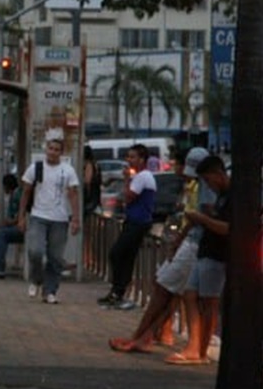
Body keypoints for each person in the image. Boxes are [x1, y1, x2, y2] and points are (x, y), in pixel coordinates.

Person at [108, 147, 213, 353]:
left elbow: (197, 218)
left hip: (193, 243)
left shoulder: (204, 187)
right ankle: (148, 335)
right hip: (190, 242)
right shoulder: (195, 185)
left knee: (165, 288)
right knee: (172, 291)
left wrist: (180, 239)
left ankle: (144, 336)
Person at [165, 154, 230, 365]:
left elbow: (228, 228)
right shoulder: (221, 196)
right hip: (205, 249)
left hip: (217, 254)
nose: (208, 186)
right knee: (190, 294)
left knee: (209, 301)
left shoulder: (232, 196)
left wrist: (203, 218)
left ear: (217, 174)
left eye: (208, 181)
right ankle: (194, 345)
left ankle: (200, 350)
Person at [17, 130, 81, 304]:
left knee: (55, 257)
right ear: (46, 149)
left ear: (61, 152)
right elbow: (26, 192)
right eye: (50, 149)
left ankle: (50, 291)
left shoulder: (68, 170)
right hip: (38, 215)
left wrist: (76, 219)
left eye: (56, 150)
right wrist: (21, 216)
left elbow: (73, 194)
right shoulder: (35, 168)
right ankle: (36, 279)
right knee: (35, 250)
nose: (52, 152)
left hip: (60, 219)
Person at [97, 143, 157, 309]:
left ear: (142, 159)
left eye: (132, 157)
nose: (129, 160)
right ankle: (117, 291)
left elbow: (128, 196)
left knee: (117, 254)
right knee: (125, 256)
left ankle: (118, 290)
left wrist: (126, 179)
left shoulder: (142, 177)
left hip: (138, 222)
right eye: (128, 157)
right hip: (134, 220)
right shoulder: (140, 176)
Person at [83, 144, 102, 219]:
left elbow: (87, 180)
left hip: (90, 196)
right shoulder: (96, 164)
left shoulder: (89, 164)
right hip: (96, 194)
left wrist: (87, 192)